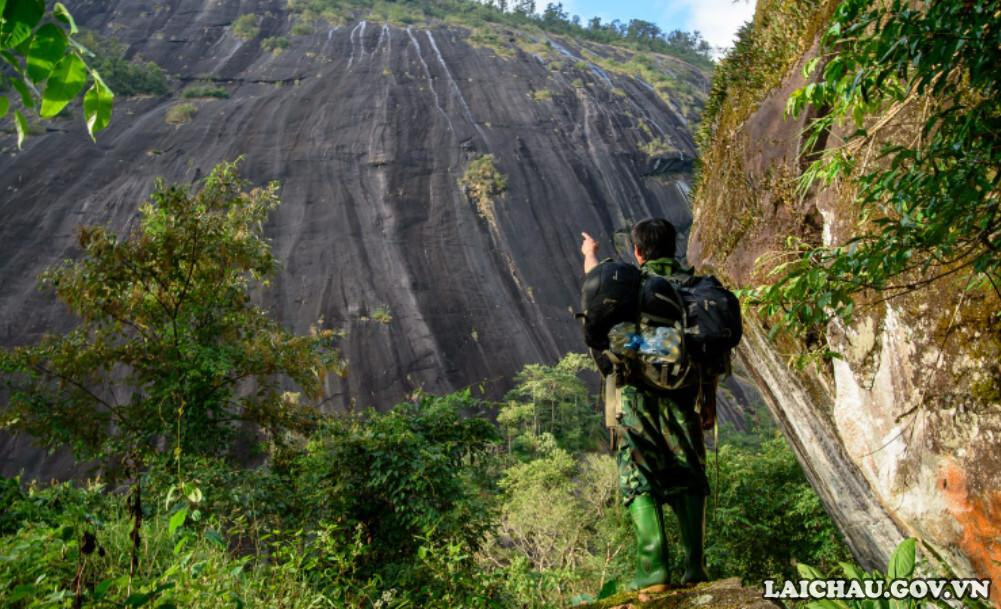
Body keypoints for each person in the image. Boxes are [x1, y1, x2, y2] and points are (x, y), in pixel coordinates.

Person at [581, 218, 712, 591]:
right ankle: (695, 568)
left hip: (633, 395)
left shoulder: (629, 286)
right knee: (688, 473)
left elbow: (595, 302)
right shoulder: (692, 287)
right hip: (684, 395)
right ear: (674, 247)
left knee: (639, 478)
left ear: (638, 252)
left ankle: (654, 571)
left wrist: (590, 255)